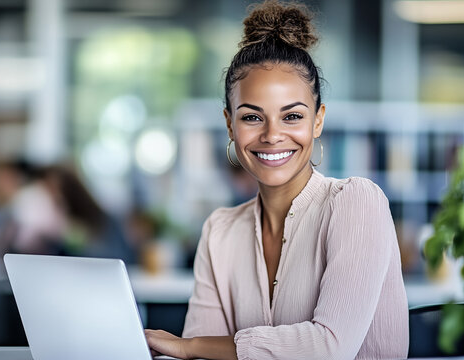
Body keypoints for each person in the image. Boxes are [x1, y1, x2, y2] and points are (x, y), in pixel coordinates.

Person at [145, 1, 409, 359]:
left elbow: (329, 348)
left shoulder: (357, 202)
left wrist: (188, 346)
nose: (272, 135)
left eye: (292, 116)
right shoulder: (219, 232)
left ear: (317, 121)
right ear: (229, 124)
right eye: (252, 118)